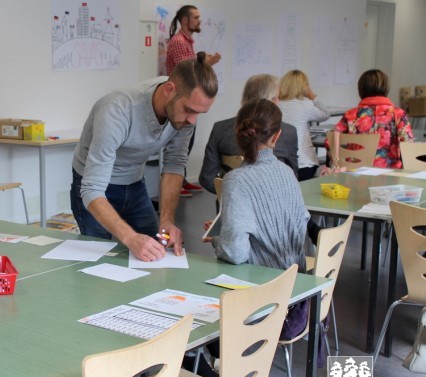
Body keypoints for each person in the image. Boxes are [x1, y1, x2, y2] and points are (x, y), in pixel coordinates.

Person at [70, 53, 218, 262]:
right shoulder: (118, 109)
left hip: (134, 182)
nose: (193, 121)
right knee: (97, 257)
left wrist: (167, 220)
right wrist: (130, 238)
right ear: (169, 90)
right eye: (189, 111)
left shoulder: (186, 113)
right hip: (93, 185)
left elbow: (174, 164)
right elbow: (92, 189)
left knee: (155, 249)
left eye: (199, 113)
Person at [206, 98, 309, 270]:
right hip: (296, 277)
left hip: (262, 281)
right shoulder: (288, 172)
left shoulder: (235, 180)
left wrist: (219, 239)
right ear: (276, 136)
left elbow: (235, 253)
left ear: (237, 132)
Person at [199, 74, 299, 194]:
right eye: (275, 98)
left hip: (228, 201)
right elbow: (293, 178)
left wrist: (231, 194)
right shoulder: (288, 132)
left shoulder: (220, 129)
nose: (278, 101)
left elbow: (207, 178)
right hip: (273, 202)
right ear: (267, 101)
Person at [165, 5, 222, 196]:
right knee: (179, 146)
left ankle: (181, 180)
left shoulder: (187, 42)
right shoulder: (179, 42)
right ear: (185, 20)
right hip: (182, 101)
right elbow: (187, 71)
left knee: (187, 144)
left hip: (190, 100)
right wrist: (207, 63)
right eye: (196, 17)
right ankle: (176, 183)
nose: (199, 21)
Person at [328, 69, 413, 169]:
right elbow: (408, 146)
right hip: (389, 173)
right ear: (385, 89)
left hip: (355, 173)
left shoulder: (351, 115)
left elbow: (330, 140)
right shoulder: (398, 114)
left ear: (360, 90)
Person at [278, 69, 330, 181]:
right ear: (303, 87)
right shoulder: (305, 105)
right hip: (304, 165)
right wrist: (312, 96)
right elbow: (326, 114)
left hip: (281, 165)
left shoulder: (276, 105)